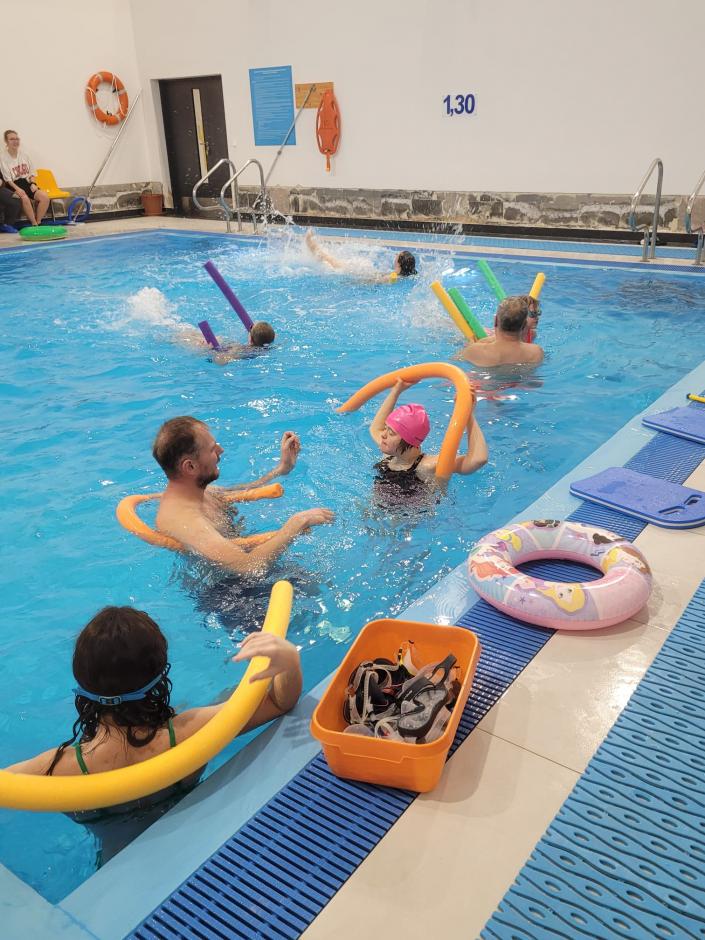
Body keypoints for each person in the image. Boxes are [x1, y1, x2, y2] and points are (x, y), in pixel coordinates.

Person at [4, 605, 301, 854]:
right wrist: (288, 661)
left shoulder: (58, 768)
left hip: (117, 870)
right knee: (223, 696)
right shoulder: (190, 732)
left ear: (81, 683)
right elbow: (278, 701)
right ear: (160, 675)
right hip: (202, 850)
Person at [152, 417, 334, 575]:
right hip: (227, 591)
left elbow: (243, 491)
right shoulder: (184, 520)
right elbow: (247, 567)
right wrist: (297, 523)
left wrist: (282, 468)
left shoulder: (200, 490)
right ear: (190, 467)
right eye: (212, 449)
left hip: (253, 564)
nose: (221, 450)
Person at [369, 380, 488, 489]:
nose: (383, 435)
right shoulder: (389, 454)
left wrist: (468, 413)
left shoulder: (428, 466)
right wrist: (396, 391)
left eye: (391, 433)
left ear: (409, 440)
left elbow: (478, 459)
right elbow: (375, 428)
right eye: (386, 428)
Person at [457, 296, 544, 367]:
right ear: (524, 324)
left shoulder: (474, 350)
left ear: (495, 321)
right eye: (533, 314)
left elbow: (456, 360)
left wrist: (469, 347)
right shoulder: (536, 352)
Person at [305, 228, 416, 282]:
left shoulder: (393, 277)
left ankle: (314, 248)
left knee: (334, 263)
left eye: (397, 255)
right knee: (334, 263)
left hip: (358, 275)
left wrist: (353, 282)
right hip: (365, 272)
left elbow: (372, 282)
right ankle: (317, 251)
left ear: (399, 263)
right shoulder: (401, 276)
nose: (395, 255)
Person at [0, 130, 50, 227]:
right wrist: (18, 189)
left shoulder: (25, 155)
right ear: (6, 141)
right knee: (24, 198)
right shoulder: (3, 158)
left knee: (44, 197)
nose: (15, 141)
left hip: (27, 182)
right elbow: (8, 179)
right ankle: (34, 224)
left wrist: (33, 184)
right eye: (12, 139)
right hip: (13, 184)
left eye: (17, 139)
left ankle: (38, 221)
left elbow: (32, 172)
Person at [177, 320, 276, 365]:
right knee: (219, 339)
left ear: (250, 339)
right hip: (228, 348)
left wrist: (209, 349)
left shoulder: (242, 351)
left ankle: (177, 332)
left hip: (217, 352)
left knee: (187, 338)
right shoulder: (268, 348)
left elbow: (222, 361)